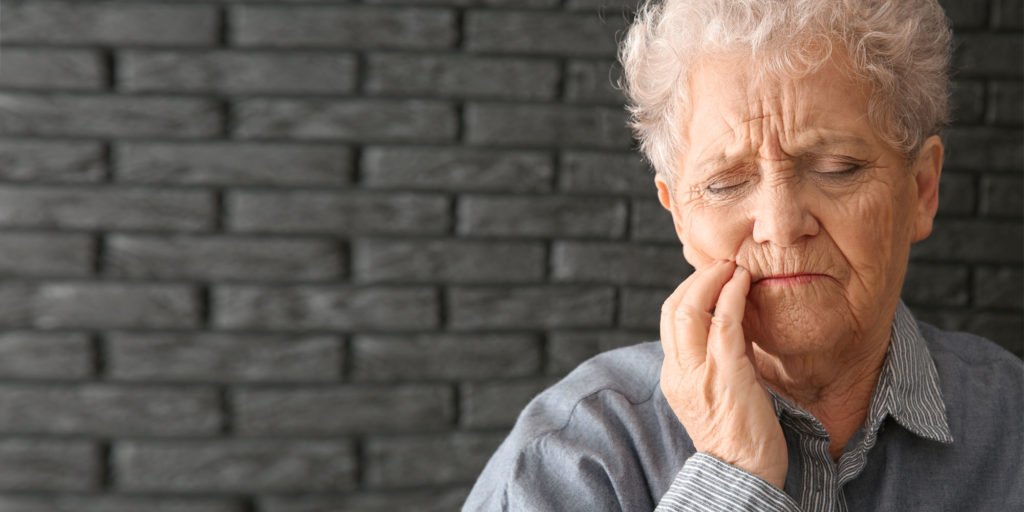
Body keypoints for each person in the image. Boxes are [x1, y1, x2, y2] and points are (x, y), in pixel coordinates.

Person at [463, 0, 1024, 510]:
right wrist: (732, 477)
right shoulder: (569, 458)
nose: (780, 228)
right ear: (679, 215)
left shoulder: (1012, 422)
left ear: (922, 190)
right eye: (726, 184)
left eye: (836, 169)